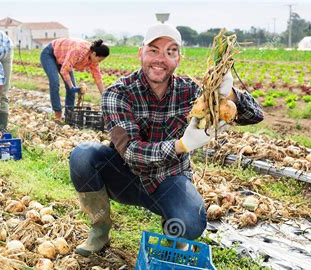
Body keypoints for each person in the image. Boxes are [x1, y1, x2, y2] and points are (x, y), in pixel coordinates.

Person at [69, 24, 263, 256]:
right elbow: (132, 154)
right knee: (83, 155)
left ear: (178, 59)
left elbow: (255, 115)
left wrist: (228, 94)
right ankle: (99, 229)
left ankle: (174, 230)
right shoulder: (118, 93)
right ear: (140, 53)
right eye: (153, 50)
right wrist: (181, 145)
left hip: (168, 179)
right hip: (124, 178)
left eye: (170, 52)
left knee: (190, 223)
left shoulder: (191, 91)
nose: (161, 58)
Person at [40, 38, 110, 122]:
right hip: (50, 54)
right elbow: (64, 70)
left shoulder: (93, 60)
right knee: (55, 82)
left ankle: (69, 115)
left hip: (63, 59)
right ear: (94, 54)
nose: (99, 62)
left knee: (71, 88)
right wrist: (71, 87)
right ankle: (57, 113)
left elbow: (97, 77)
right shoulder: (78, 50)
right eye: (99, 60)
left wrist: (104, 96)